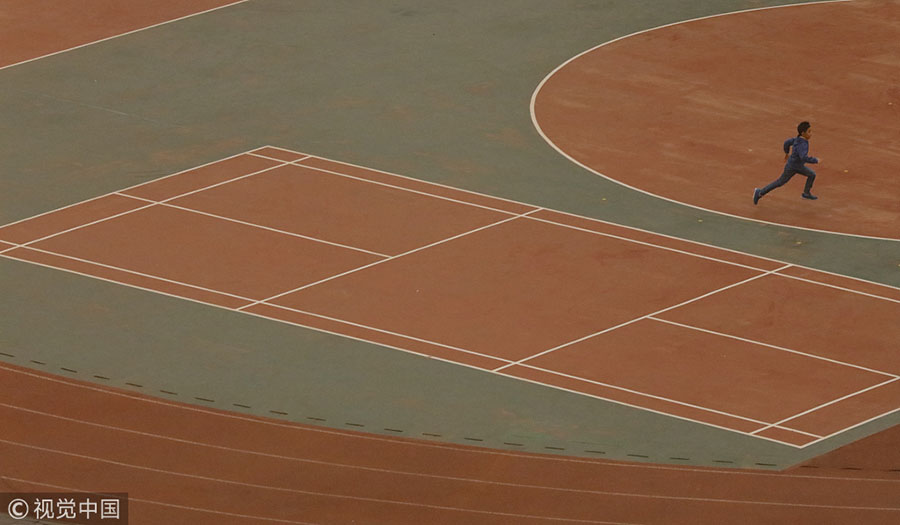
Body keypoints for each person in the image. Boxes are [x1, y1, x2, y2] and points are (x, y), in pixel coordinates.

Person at [754, 121, 820, 204]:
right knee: (780, 182)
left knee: (812, 174)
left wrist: (786, 152)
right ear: (803, 133)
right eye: (809, 132)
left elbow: (787, 142)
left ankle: (806, 193)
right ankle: (760, 192)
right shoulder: (802, 144)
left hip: (796, 165)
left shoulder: (797, 139)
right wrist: (815, 160)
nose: (811, 134)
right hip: (793, 167)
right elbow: (803, 157)